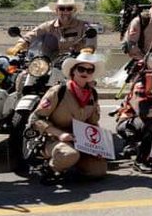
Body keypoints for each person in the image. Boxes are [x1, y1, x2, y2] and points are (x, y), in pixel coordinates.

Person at [28, 52, 107, 182]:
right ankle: (51, 169)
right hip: (55, 138)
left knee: (98, 171)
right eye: (81, 69)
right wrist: (59, 134)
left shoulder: (92, 94)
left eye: (89, 70)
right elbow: (36, 119)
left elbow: (93, 123)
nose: (85, 72)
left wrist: (98, 146)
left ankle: (71, 162)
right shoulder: (59, 91)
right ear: (73, 71)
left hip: (81, 141)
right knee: (69, 155)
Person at [9, 0, 97, 59]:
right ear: (56, 11)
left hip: (75, 63)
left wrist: (88, 49)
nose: (65, 12)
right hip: (48, 62)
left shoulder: (84, 26)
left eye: (69, 8)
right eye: (62, 8)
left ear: (74, 10)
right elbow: (32, 34)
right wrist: (20, 45)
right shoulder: (48, 26)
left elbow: (91, 40)